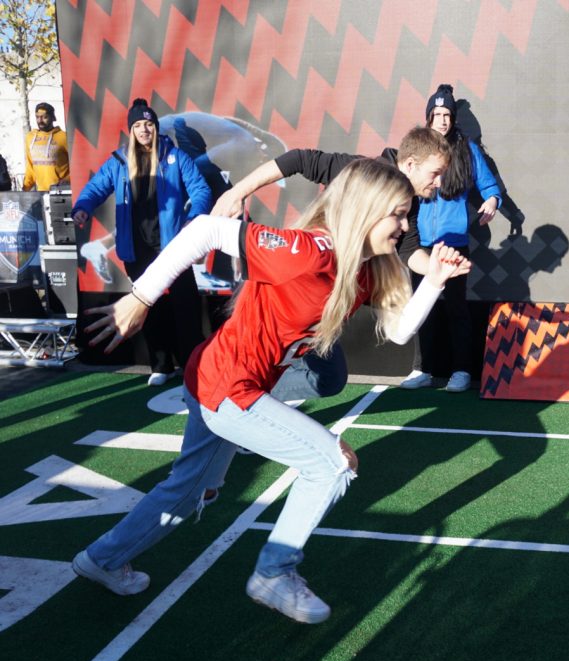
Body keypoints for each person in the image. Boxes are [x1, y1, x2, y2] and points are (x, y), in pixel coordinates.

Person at [71, 158, 472, 624]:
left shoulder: (367, 269)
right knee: (332, 464)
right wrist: (140, 298)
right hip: (226, 385)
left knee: (187, 494)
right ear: (365, 209)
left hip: (219, 376)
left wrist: (436, 280)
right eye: (398, 214)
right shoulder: (307, 251)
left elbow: (401, 333)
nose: (406, 227)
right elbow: (203, 230)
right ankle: (274, 573)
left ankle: (100, 560)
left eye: (408, 215)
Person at [210, 126, 450, 399]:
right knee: (253, 365)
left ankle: (256, 398)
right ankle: (242, 396)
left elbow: (409, 253)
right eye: (435, 173)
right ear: (410, 164)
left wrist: (436, 269)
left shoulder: (409, 205)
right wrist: (237, 192)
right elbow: (298, 159)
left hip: (329, 302)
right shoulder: (359, 173)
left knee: (330, 378)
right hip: (298, 287)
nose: (440, 182)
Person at [72, 98, 212, 386]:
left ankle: (194, 365)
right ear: (131, 130)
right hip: (137, 250)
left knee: (186, 306)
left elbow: (200, 189)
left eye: (149, 124)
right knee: (148, 308)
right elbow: (96, 187)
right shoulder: (120, 160)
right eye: (138, 125)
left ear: (156, 127)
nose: (144, 130)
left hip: (174, 247)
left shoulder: (175, 156)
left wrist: (194, 216)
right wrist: (83, 206)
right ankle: (161, 366)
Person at [399, 84, 502, 393]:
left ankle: (461, 371)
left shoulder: (466, 148)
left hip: (454, 243)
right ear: (429, 117)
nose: (442, 120)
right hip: (421, 245)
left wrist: (493, 201)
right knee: (423, 306)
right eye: (437, 114)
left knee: (457, 308)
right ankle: (423, 370)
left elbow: (489, 184)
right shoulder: (418, 150)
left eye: (447, 115)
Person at [23, 102, 70, 191]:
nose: (40, 120)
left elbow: (76, 164)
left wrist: (67, 180)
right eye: (37, 117)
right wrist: (26, 188)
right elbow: (30, 166)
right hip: (41, 192)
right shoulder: (30, 137)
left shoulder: (64, 137)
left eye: (44, 117)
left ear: (52, 118)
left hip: (61, 191)